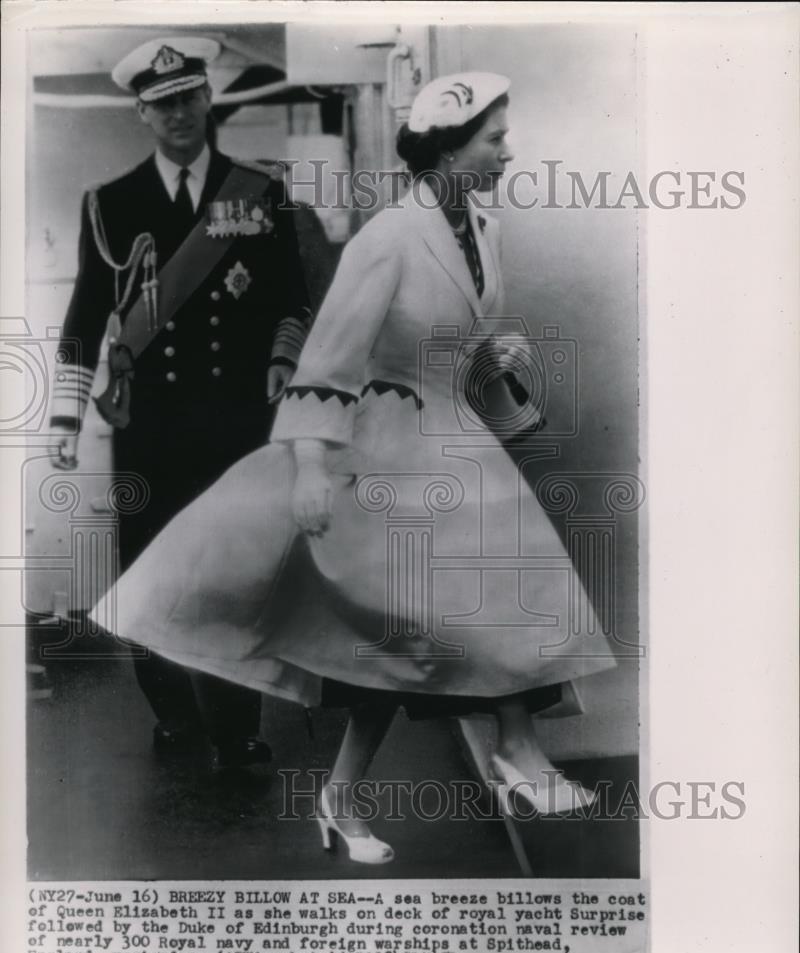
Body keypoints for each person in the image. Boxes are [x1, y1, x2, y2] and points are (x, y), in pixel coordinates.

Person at [93, 72, 616, 862]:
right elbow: (327, 362)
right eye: (495, 139)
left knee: (478, 607)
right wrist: (308, 467)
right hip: (384, 451)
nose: (509, 152)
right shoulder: (387, 239)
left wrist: (502, 377)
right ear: (448, 148)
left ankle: (457, 767)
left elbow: (460, 351)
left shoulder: (484, 225)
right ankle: (457, 768)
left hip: (459, 445)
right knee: (415, 632)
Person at [50, 37, 310, 764]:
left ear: (207, 99)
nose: (179, 114)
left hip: (236, 424)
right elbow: (84, 316)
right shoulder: (109, 204)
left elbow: (292, 294)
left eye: (189, 97)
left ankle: (237, 724)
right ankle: (174, 716)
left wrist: (283, 362)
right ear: (142, 113)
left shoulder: (259, 190)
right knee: (149, 572)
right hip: (152, 428)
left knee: (236, 571)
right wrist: (66, 414)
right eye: (162, 104)